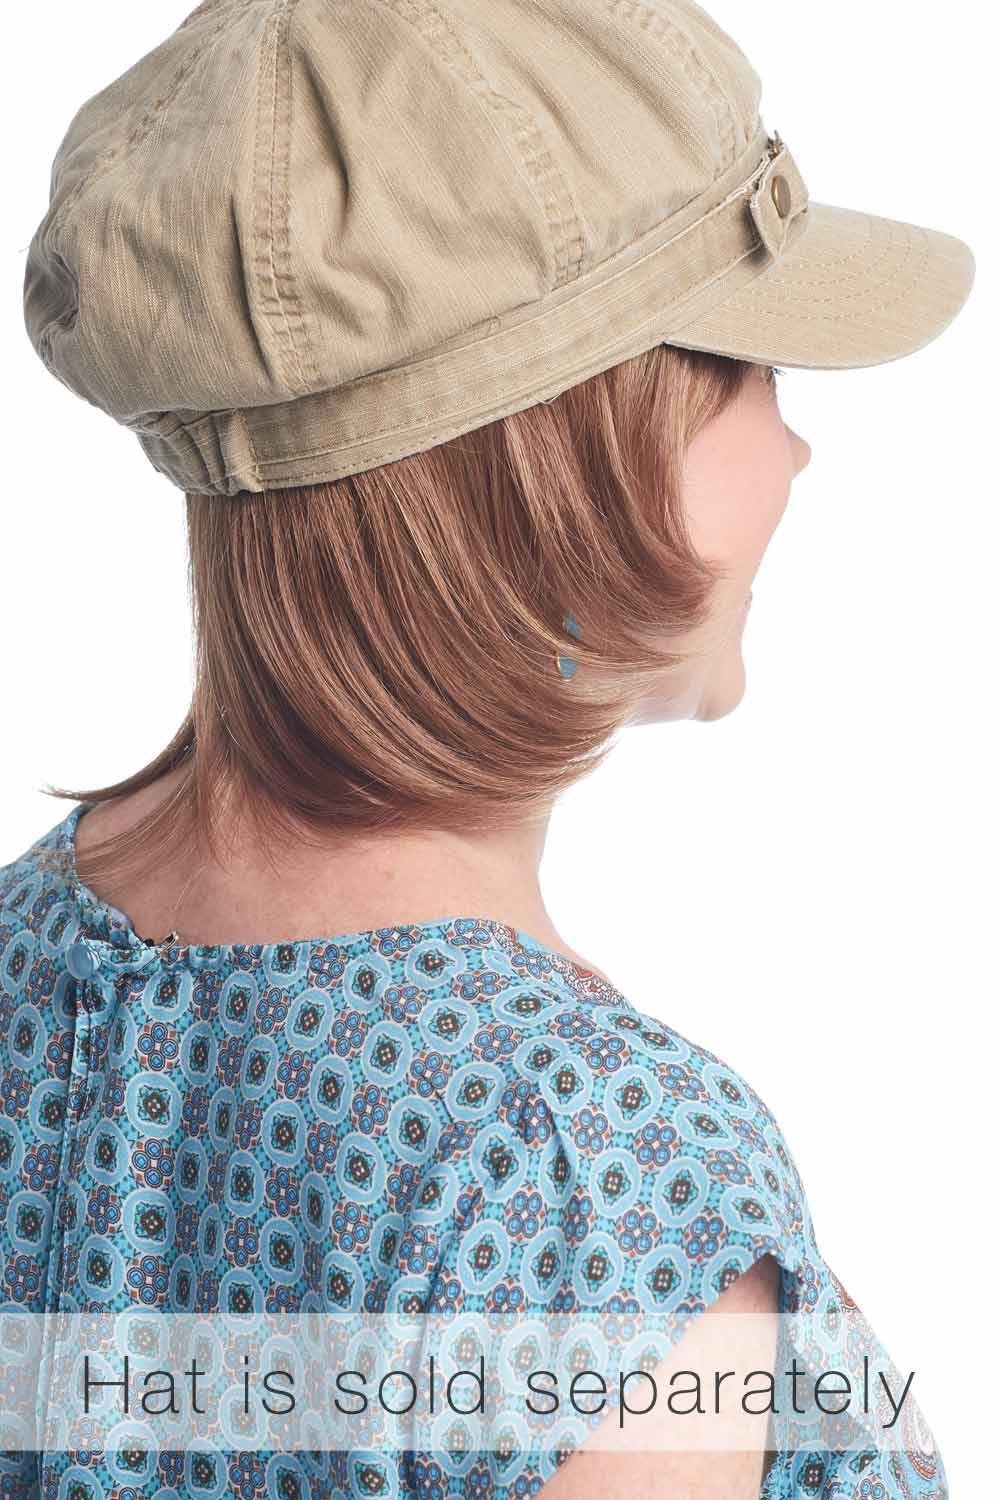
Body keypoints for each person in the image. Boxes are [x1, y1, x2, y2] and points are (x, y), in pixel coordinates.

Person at [6, 2, 974, 1497]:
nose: (796, 450)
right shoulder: (591, 1181)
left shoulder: (32, 958)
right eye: (754, 370)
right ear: (579, 468)